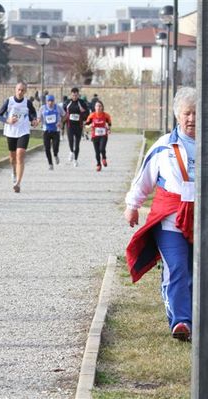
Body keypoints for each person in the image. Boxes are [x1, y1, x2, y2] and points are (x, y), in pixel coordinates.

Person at [124, 87, 196, 342]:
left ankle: (193, 317)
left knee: (195, 272)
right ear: (178, 116)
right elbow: (144, 178)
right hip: (171, 219)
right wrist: (133, 205)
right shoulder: (164, 146)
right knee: (177, 267)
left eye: (197, 113)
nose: (192, 119)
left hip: (201, 220)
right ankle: (181, 322)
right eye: (187, 113)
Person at [0, 81, 38, 193]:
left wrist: (34, 120)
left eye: (22, 90)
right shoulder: (9, 101)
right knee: (12, 158)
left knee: (20, 155)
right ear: (15, 90)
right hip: (11, 132)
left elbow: (32, 114)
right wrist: (7, 120)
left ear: (25, 91)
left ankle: (18, 183)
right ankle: (14, 171)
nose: (20, 92)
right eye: (19, 90)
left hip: (23, 131)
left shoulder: (27, 103)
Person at [37, 94, 65, 170]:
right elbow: (39, 117)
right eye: (49, 101)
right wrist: (38, 120)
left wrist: (61, 122)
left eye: (52, 101)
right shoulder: (42, 108)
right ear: (46, 101)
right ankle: (50, 164)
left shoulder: (58, 107)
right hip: (46, 131)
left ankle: (55, 155)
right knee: (47, 148)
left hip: (56, 130)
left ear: (54, 101)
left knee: (55, 147)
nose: (50, 103)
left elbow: (64, 115)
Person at [63, 87, 89, 167]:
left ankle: (75, 160)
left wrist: (83, 112)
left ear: (78, 95)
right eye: (73, 95)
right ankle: (71, 151)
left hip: (79, 126)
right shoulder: (67, 102)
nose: (74, 97)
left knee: (77, 144)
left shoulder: (82, 102)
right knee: (70, 140)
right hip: (70, 125)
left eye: (76, 95)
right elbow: (63, 111)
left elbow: (87, 113)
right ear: (71, 95)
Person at [85, 100, 112, 172]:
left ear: (102, 107)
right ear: (95, 107)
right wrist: (90, 126)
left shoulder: (106, 115)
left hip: (103, 135)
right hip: (95, 136)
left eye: (100, 106)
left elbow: (109, 124)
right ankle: (98, 164)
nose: (98, 107)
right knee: (97, 152)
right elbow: (86, 125)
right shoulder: (92, 115)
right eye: (97, 106)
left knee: (102, 149)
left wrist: (109, 129)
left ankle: (104, 158)